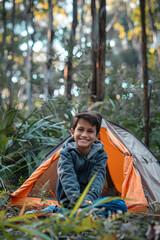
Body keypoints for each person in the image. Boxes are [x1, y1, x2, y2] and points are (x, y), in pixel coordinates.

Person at [56, 110, 108, 208]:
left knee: (120, 205)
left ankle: (86, 212)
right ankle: (59, 211)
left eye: (90, 131)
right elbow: (68, 179)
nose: (84, 135)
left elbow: (97, 180)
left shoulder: (101, 155)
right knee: (76, 212)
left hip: (90, 201)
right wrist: (78, 202)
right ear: (72, 132)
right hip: (69, 201)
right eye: (80, 129)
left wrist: (88, 200)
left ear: (97, 136)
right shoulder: (66, 154)